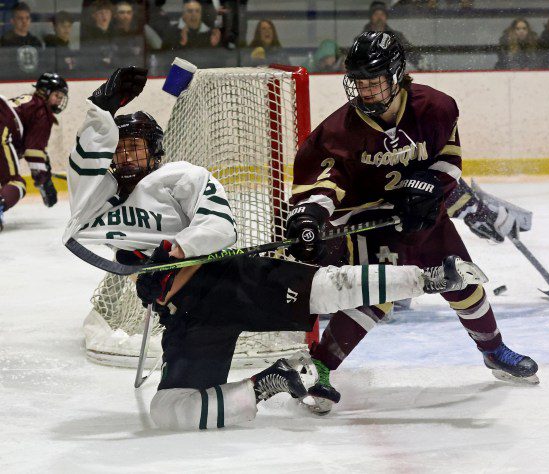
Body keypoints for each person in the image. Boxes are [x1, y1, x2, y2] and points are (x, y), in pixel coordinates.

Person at [62, 66, 486, 430]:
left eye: (134, 146)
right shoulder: (101, 200)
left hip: (225, 281)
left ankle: (431, 277)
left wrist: (177, 248)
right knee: (169, 412)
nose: (126, 156)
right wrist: (100, 108)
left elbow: (221, 226)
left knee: (322, 287)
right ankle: (271, 381)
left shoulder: (180, 176)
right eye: (118, 148)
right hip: (186, 319)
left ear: (155, 152)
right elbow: (83, 170)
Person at [285, 31, 539, 415]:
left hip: (426, 217)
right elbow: (327, 182)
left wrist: (431, 185)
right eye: (359, 84)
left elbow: (449, 159)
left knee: (464, 279)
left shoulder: (435, 107)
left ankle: (492, 350)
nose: (366, 92)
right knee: (378, 295)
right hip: (373, 222)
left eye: (375, 83)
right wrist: (311, 215)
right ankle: (319, 366)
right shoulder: (339, 131)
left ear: (397, 75)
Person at [0, 73, 67, 231]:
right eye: (57, 95)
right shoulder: (42, 111)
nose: (59, 100)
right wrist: (45, 181)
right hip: (2, 128)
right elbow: (34, 153)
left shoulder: (29, 103)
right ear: (45, 92)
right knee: (15, 182)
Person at [362, 1, 420, 69]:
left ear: (386, 17)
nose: (379, 17)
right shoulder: (361, 38)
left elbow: (410, 53)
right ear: (371, 17)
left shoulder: (397, 36)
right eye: (376, 14)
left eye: (382, 14)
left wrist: (420, 61)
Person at [80, 0, 115, 70]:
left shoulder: (116, 34)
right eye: (100, 13)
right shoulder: (88, 36)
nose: (104, 16)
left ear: (112, 14)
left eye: (107, 12)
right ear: (94, 15)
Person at [111, 1, 145, 67]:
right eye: (122, 12)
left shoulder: (139, 31)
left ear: (132, 14)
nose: (125, 16)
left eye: (128, 12)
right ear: (115, 15)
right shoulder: (111, 33)